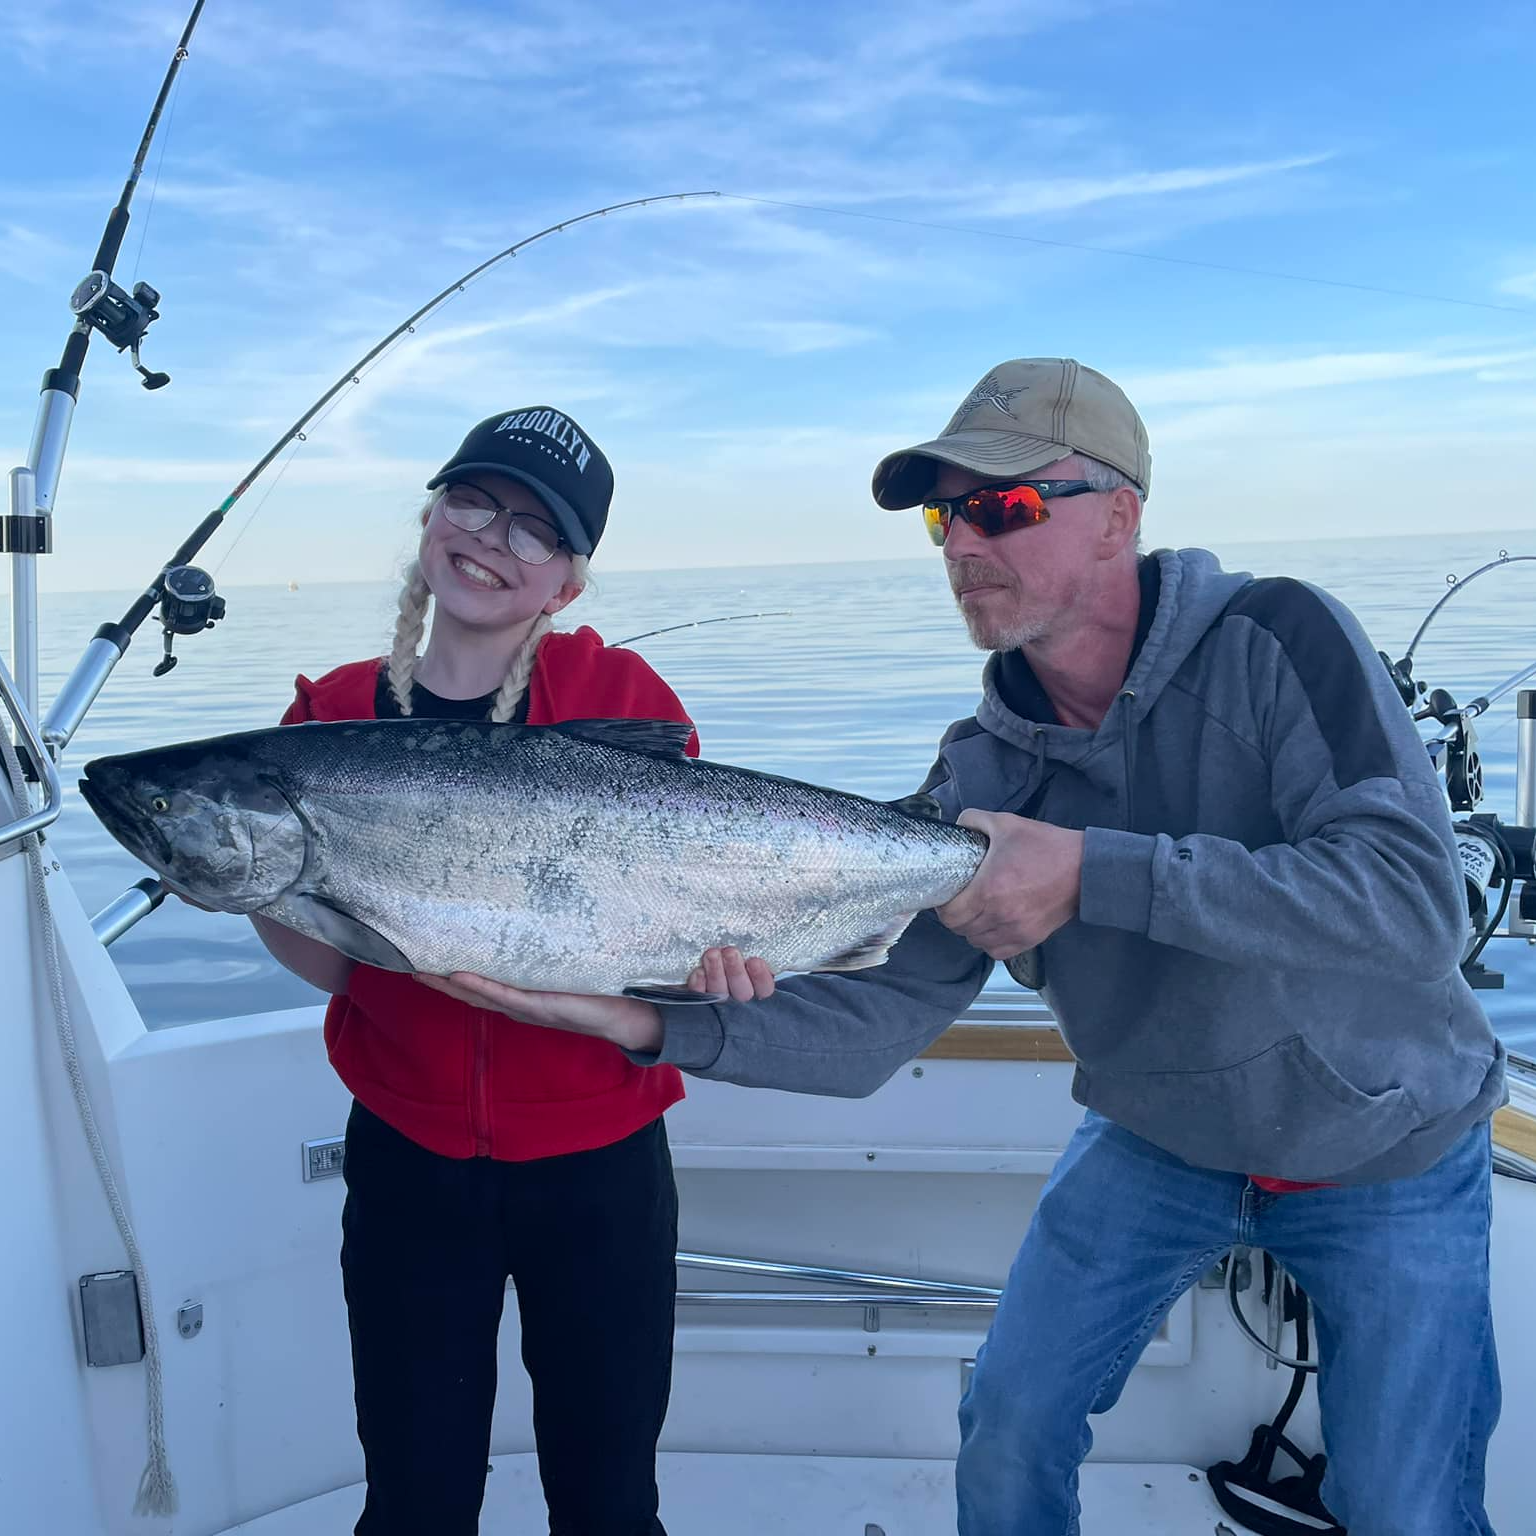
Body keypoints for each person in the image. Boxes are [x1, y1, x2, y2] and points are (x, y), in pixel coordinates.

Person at [439, 359, 1507, 1536]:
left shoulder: (1278, 638)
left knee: (1404, 1509)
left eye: (1002, 506)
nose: (960, 543)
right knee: (1006, 1435)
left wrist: (1092, 871)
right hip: (1158, 1143)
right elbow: (879, 1018)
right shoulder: (982, 773)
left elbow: (1415, 902)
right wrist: (646, 1022)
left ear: (1121, 516)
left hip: (1390, 1149)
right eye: (947, 514)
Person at [253, 407, 693, 1536]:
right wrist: (267, 885)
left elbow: (673, 945)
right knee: (415, 1497)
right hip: (410, 1162)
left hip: (600, 1166)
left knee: (606, 1498)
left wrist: (720, 970)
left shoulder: (623, 699)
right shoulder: (334, 715)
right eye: (473, 502)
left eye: (534, 531)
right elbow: (340, 972)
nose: (491, 538)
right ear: (431, 515)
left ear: (568, 582)